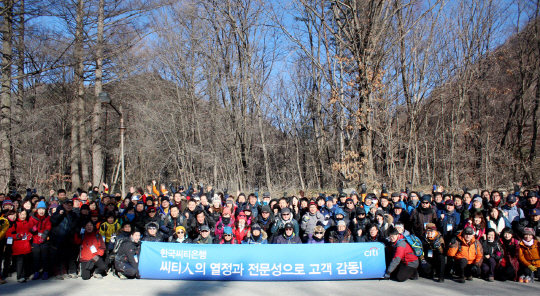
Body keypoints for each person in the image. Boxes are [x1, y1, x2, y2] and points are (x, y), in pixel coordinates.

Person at [49, 199, 79, 280]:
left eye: (70, 205)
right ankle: (57, 272)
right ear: (64, 204)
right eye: (67, 204)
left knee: (64, 256)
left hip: (66, 238)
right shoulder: (58, 211)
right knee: (56, 256)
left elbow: (74, 225)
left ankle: (64, 272)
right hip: (56, 237)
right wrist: (59, 214)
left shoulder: (73, 214)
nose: (69, 206)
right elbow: (52, 221)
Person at [28, 201, 51, 280]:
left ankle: (46, 272)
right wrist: (32, 230)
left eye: (43, 209)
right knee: (36, 257)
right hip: (35, 240)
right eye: (40, 209)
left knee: (45, 257)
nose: (41, 211)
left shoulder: (47, 217)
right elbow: (30, 226)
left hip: (44, 239)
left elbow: (48, 227)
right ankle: (36, 272)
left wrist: (44, 237)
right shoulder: (32, 217)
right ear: (37, 210)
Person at [7, 210, 33, 282]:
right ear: (18, 214)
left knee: (26, 261)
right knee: (20, 262)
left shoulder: (27, 223)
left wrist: (30, 236)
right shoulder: (14, 223)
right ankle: (20, 276)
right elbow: (9, 235)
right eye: (21, 214)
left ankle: (26, 275)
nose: (23, 216)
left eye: (24, 214)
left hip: (26, 245)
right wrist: (17, 236)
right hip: (18, 246)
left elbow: (29, 232)